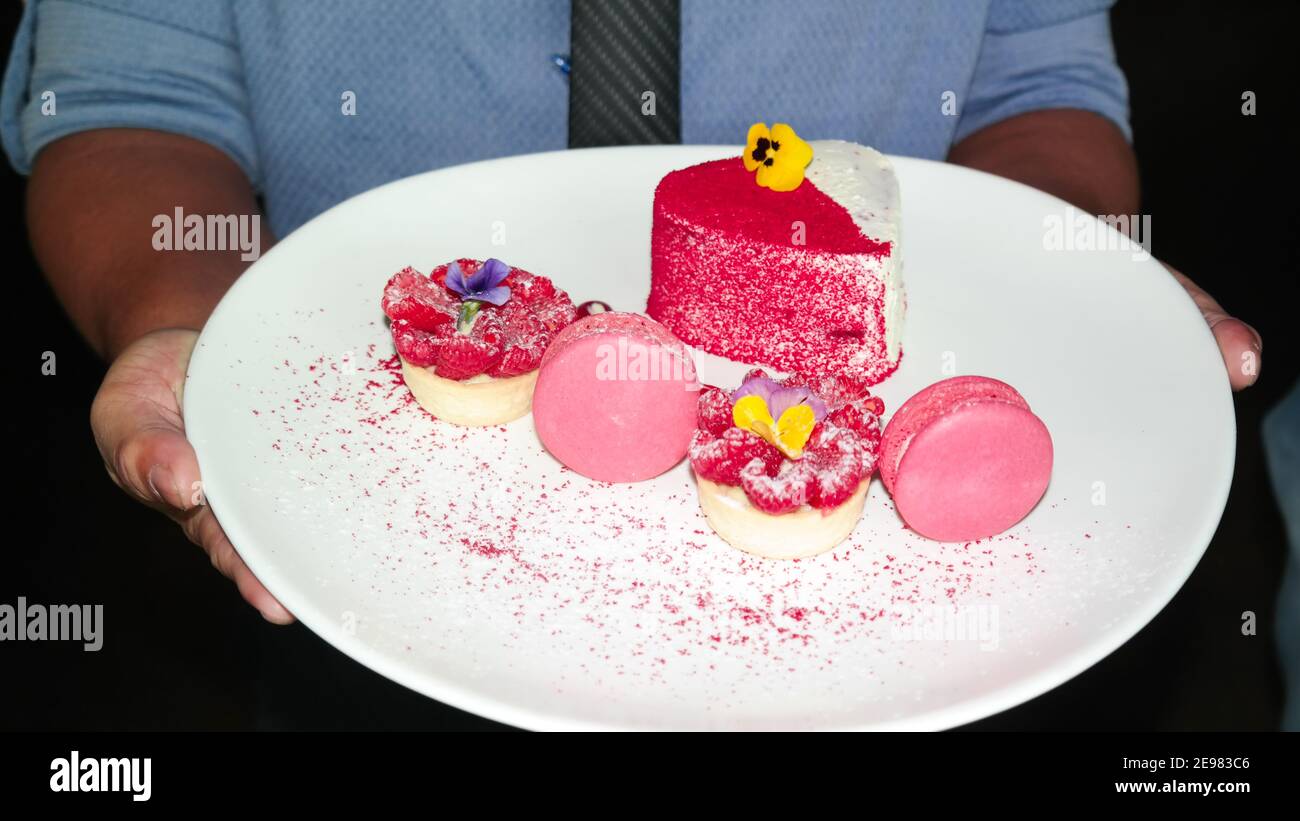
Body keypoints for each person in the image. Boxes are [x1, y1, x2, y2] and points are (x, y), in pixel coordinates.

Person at [1, 0, 1264, 725]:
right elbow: (131, 99)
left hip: (934, 663)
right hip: (368, 595)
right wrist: (189, 321)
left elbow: (1040, 85)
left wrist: (1074, 276)